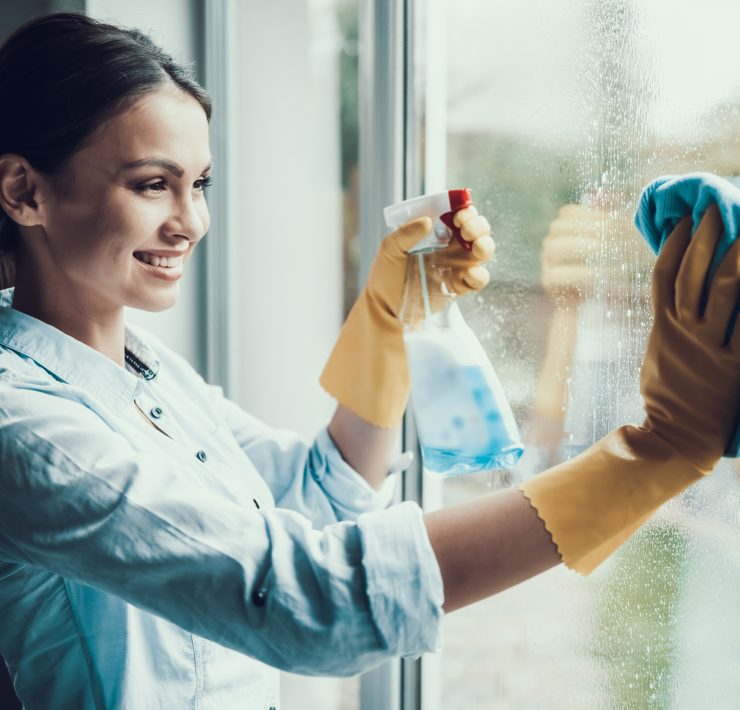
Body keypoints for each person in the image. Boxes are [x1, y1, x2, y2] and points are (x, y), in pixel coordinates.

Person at [0, 12, 737, 710]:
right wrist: (654, 453)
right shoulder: (23, 426)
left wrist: (389, 318)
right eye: (152, 184)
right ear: (24, 191)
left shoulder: (144, 367)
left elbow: (321, 495)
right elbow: (312, 601)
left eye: (200, 185)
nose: (192, 222)